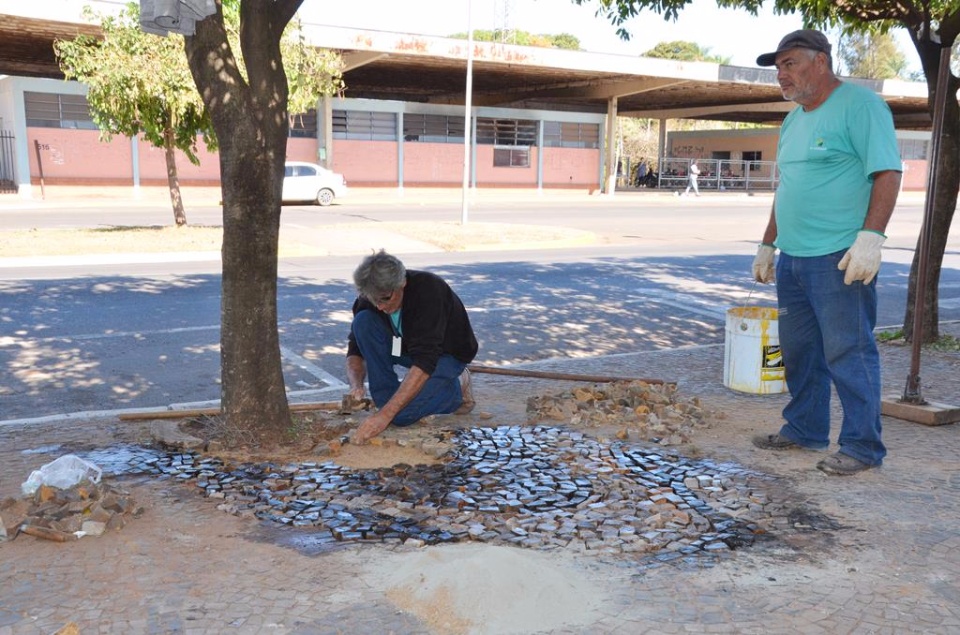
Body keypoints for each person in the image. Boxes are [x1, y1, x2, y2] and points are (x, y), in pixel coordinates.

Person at [750, 29, 902, 475]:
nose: (781, 75)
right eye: (778, 67)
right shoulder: (794, 118)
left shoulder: (862, 106)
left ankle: (861, 447)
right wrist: (767, 243)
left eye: (789, 63)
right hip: (793, 258)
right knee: (800, 353)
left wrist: (871, 237)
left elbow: (887, 172)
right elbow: (788, 187)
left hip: (839, 256)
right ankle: (805, 429)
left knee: (848, 352)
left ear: (820, 61)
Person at [345, 250, 479, 444]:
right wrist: (356, 386)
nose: (380, 306)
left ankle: (456, 389)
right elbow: (355, 349)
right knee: (362, 322)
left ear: (402, 283)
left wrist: (385, 416)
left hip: (446, 355)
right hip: (408, 350)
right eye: (374, 299)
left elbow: (425, 361)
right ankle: (388, 397)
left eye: (385, 298)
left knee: (399, 416)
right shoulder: (371, 298)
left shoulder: (429, 291)